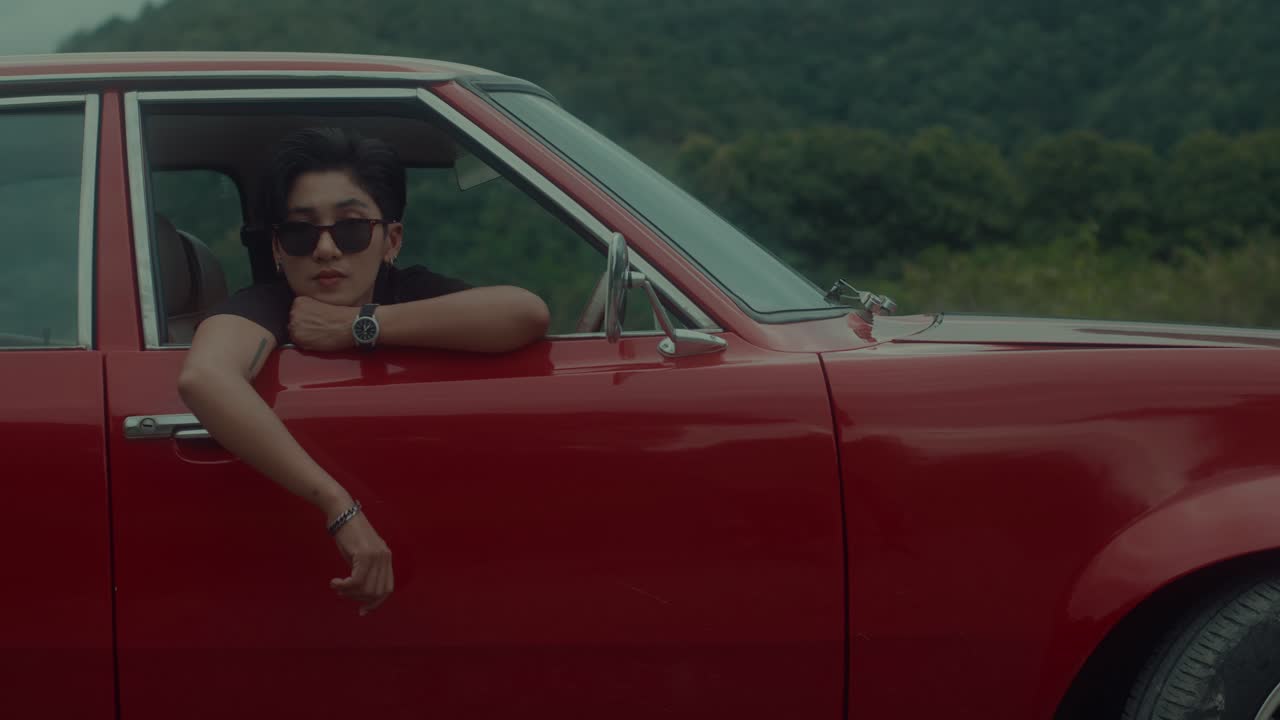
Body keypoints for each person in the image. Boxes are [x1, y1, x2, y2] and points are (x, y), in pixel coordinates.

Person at [177, 127, 550, 616]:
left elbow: (525, 313)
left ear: (390, 239)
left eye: (351, 228)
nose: (326, 250)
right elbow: (204, 377)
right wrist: (337, 504)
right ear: (276, 248)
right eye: (300, 231)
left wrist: (360, 326)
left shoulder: (409, 291)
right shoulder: (269, 306)